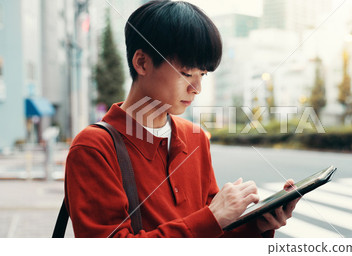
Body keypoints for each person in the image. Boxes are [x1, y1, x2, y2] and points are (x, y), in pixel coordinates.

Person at [64, 0, 300, 238]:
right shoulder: (93, 148)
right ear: (142, 62)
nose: (196, 88)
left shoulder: (195, 138)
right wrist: (212, 218)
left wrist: (255, 224)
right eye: (186, 73)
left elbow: (212, 234)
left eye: (203, 75)